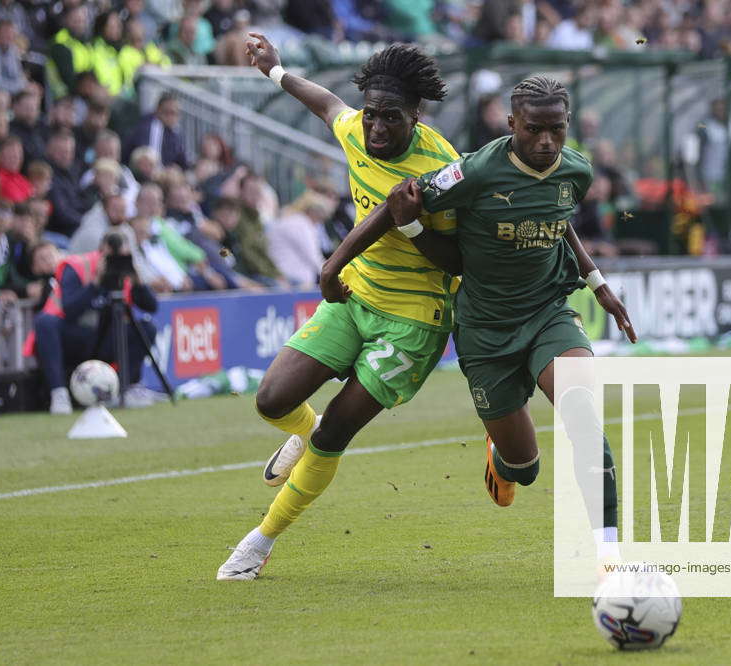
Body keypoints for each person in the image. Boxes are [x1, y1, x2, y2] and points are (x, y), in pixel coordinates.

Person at [217, 35, 457, 581]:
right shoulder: (355, 129)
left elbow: (459, 257)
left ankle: (259, 542)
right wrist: (275, 72)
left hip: (413, 321)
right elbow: (326, 102)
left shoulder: (444, 168)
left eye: (390, 119)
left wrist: (414, 222)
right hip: (356, 296)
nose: (376, 128)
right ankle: (302, 430)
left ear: (416, 115)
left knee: (333, 438)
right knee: (272, 399)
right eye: (371, 116)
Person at [382, 76, 635, 572]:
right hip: (484, 330)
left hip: (547, 312)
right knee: (526, 469)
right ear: (511, 123)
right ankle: (502, 451)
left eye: (557, 130)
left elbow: (558, 221)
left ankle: (608, 550)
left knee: (581, 409)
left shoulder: (576, 171)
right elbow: (400, 203)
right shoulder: (473, 173)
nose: (546, 142)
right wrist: (401, 231)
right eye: (534, 130)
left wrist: (596, 280)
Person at [29, 231, 159, 414]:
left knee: (147, 327)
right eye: (110, 255)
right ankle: (58, 394)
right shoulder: (77, 266)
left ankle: (124, 389)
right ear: (100, 251)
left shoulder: (126, 271)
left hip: (106, 338)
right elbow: (70, 310)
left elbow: (152, 306)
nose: (115, 260)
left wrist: (137, 281)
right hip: (77, 335)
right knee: (45, 322)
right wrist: (96, 284)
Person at [123, 93, 188, 169]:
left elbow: (183, 161)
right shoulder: (150, 126)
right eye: (166, 112)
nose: (170, 117)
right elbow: (148, 161)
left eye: (173, 113)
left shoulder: (176, 133)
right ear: (157, 111)